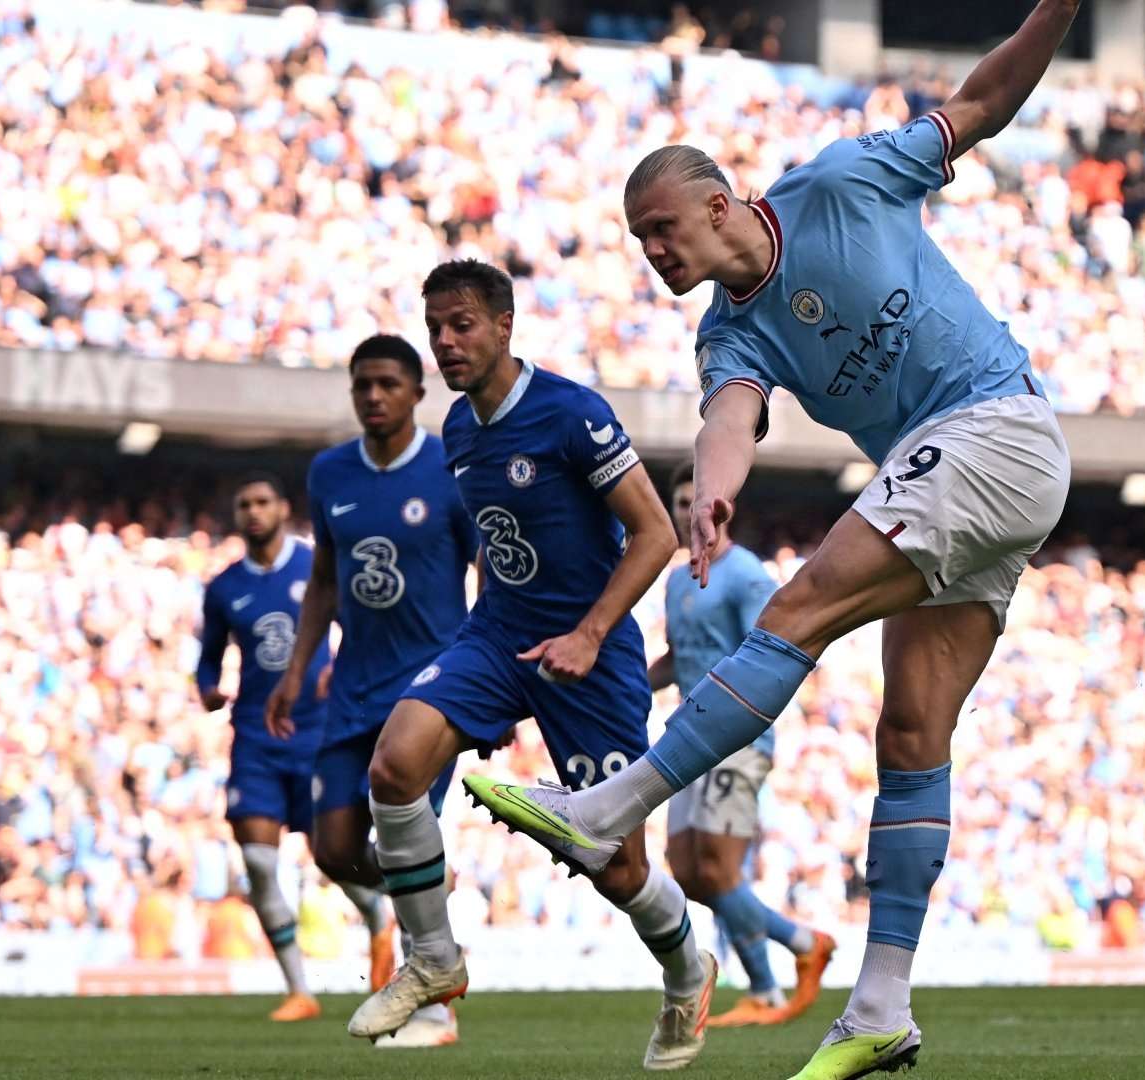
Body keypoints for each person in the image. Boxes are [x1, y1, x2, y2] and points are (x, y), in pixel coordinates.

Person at [465, 3, 1081, 1076]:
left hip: (993, 426)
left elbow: (977, 106)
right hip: (958, 472)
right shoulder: (730, 328)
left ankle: (608, 809)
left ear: (718, 202)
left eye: (661, 230)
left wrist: (1055, 11)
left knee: (796, 610)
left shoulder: (844, 181)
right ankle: (880, 1005)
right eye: (638, 243)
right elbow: (730, 416)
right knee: (911, 736)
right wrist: (711, 493)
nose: (652, 253)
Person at [350, 259, 717, 1072]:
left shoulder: (570, 414)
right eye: (436, 327)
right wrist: (478, 637)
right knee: (395, 763)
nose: (445, 342)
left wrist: (588, 633)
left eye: (462, 325)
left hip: (593, 653)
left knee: (617, 867)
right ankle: (434, 961)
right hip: (499, 637)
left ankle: (689, 973)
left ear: (504, 325)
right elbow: (499, 541)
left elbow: (656, 533)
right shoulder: (458, 428)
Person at [267, 333, 475, 1049]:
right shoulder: (329, 474)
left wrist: (486, 675)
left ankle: (436, 1009)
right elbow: (324, 577)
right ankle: (429, 914)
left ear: (418, 392)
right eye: (363, 385)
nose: (375, 396)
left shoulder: (451, 467)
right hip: (351, 686)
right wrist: (297, 671)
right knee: (331, 847)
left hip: (428, 690)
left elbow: (492, 574)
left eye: (389, 384)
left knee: (397, 839)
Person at [651, 462, 835, 1027]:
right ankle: (803, 943)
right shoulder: (679, 578)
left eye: (695, 501)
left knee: (719, 865)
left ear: (718, 509)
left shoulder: (747, 575)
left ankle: (766, 988)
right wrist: (623, 681)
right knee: (685, 870)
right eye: (679, 502)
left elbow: (769, 653)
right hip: (689, 735)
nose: (687, 512)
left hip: (735, 737)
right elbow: (681, 659)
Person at [196, 473, 335, 1021]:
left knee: (338, 858)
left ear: (282, 508)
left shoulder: (315, 566)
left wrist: (340, 671)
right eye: (243, 504)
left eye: (261, 502)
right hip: (254, 735)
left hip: (318, 731)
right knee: (257, 861)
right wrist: (207, 686)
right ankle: (300, 988)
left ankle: (377, 926)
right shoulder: (224, 586)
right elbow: (208, 656)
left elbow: (359, 629)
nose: (252, 511)